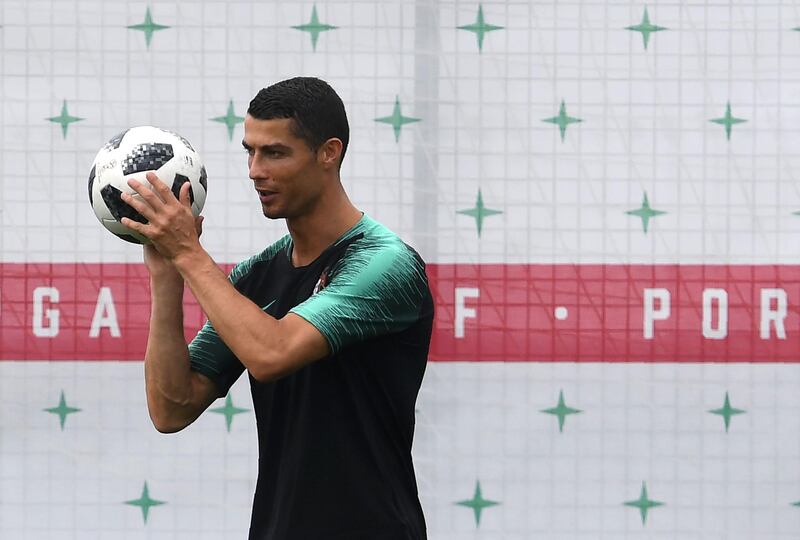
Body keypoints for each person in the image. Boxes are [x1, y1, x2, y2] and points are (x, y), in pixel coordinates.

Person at [120, 77, 434, 539]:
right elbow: (173, 407)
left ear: (329, 152)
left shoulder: (384, 263)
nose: (254, 170)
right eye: (249, 151)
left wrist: (189, 254)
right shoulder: (257, 275)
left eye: (274, 153)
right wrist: (168, 276)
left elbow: (273, 354)